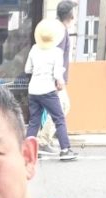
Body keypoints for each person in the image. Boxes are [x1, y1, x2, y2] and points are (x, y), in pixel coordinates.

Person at [25, 19, 77, 161]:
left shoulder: (34, 49)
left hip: (33, 90)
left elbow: (27, 69)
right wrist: (59, 82)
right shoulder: (56, 52)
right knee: (59, 118)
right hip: (48, 90)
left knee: (34, 121)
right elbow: (57, 75)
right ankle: (65, 150)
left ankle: (27, 152)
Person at [38, 1, 78, 155]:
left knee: (59, 109)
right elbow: (56, 56)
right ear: (69, 15)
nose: (74, 17)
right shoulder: (60, 31)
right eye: (73, 14)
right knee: (61, 108)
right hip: (56, 80)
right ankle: (44, 141)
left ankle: (44, 140)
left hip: (54, 79)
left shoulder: (57, 29)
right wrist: (58, 79)